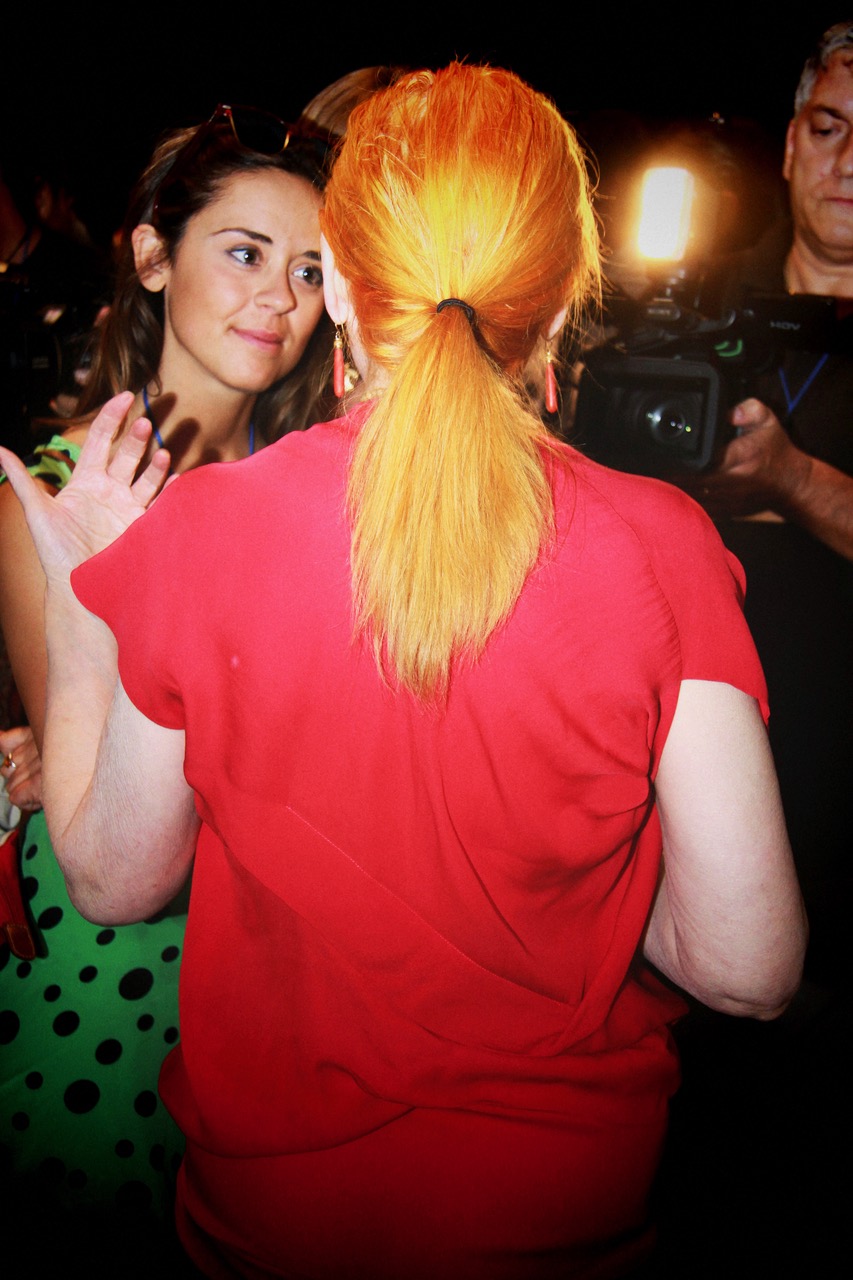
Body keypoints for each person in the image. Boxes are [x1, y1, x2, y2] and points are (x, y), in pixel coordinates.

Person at [0, 63, 806, 1280]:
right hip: (558, 1204)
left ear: (340, 283)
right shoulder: (663, 546)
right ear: (562, 299)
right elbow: (749, 968)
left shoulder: (208, 530)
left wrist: (81, 613)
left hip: (275, 1216)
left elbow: (114, 877)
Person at [0, 102, 333, 1263]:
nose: (277, 298)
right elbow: (91, 795)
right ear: (152, 255)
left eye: (309, 271)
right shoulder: (51, 494)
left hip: (286, 968)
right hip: (114, 968)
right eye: (244, 252)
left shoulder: (321, 494)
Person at [691, 20, 853, 988]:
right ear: (791, 142)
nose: (848, 162)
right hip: (687, 746)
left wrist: (793, 482)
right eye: (829, 129)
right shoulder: (695, 290)